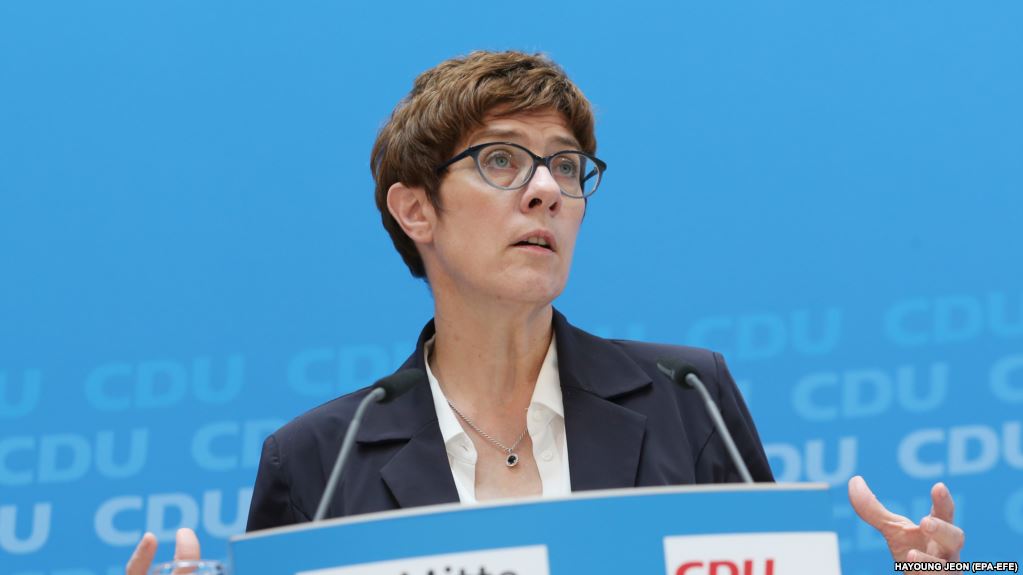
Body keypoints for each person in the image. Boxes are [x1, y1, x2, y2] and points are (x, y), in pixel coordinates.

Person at [126, 50, 965, 574]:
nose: (545, 190)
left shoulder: (687, 397)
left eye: (565, 166)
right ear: (414, 210)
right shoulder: (318, 458)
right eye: (501, 160)